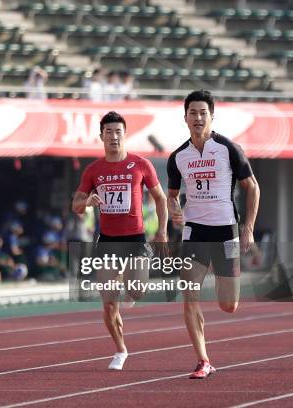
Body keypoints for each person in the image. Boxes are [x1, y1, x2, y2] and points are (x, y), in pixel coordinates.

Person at [166, 89, 260, 379]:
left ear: (211, 116)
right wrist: (174, 209)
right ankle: (203, 360)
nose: (197, 117)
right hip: (195, 232)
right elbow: (171, 195)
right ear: (185, 118)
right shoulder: (178, 156)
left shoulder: (228, 149)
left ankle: (223, 285)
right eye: (192, 113)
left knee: (228, 305)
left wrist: (248, 228)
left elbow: (252, 187)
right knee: (189, 295)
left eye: (202, 113)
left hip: (226, 231)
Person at [72, 111, 168, 370]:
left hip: (135, 239)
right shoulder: (93, 170)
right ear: (101, 136)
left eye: (118, 132)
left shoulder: (140, 165)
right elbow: (76, 205)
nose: (114, 136)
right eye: (109, 132)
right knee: (109, 304)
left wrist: (162, 231)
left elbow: (160, 198)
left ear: (125, 135)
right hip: (107, 241)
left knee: (137, 290)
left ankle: (130, 284)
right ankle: (120, 350)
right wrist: (87, 202)